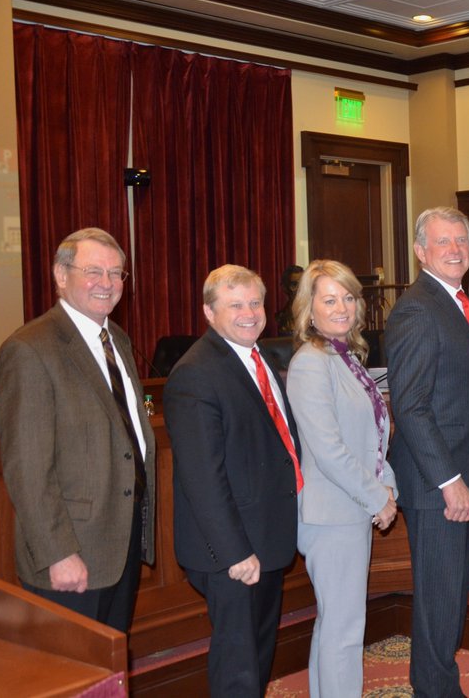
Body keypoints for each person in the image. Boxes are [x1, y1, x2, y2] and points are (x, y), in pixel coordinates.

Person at [0, 227, 155, 632]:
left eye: (116, 273)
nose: (107, 283)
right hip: (70, 555)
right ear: (60, 275)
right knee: (75, 683)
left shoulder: (116, 339)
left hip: (117, 543)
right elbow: (27, 469)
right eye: (94, 271)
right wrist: (57, 553)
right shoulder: (30, 349)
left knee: (109, 676)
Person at [163, 264, 302, 697]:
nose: (249, 313)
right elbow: (203, 476)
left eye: (256, 302)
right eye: (235, 305)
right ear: (209, 312)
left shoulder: (262, 359)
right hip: (232, 551)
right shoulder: (196, 373)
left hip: (265, 537)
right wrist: (235, 552)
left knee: (257, 656)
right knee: (238, 668)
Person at [382, 206, 469, 698]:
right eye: (442, 241)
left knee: (449, 602)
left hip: (460, 478)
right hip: (439, 487)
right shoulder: (417, 308)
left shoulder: (457, 302)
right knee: (438, 604)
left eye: (461, 241)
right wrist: (450, 483)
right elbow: (410, 405)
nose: (454, 250)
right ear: (420, 251)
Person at [286, 259, 398, 697]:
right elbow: (329, 450)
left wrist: (388, 486)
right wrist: (378, 498)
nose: (342, 307)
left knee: (338, 624)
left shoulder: (345, 356)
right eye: (329, 299)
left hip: (350, 509)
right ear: (309, 310)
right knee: (345, 628)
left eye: (348, 297)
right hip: (331, 516)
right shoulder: (311, 362)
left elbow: (372, 435)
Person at [275, 264, 303, 336]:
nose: (299, 288)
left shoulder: (315, 314)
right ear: (284, 287)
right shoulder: (281, 317)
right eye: (294, 284)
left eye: (302, 283)